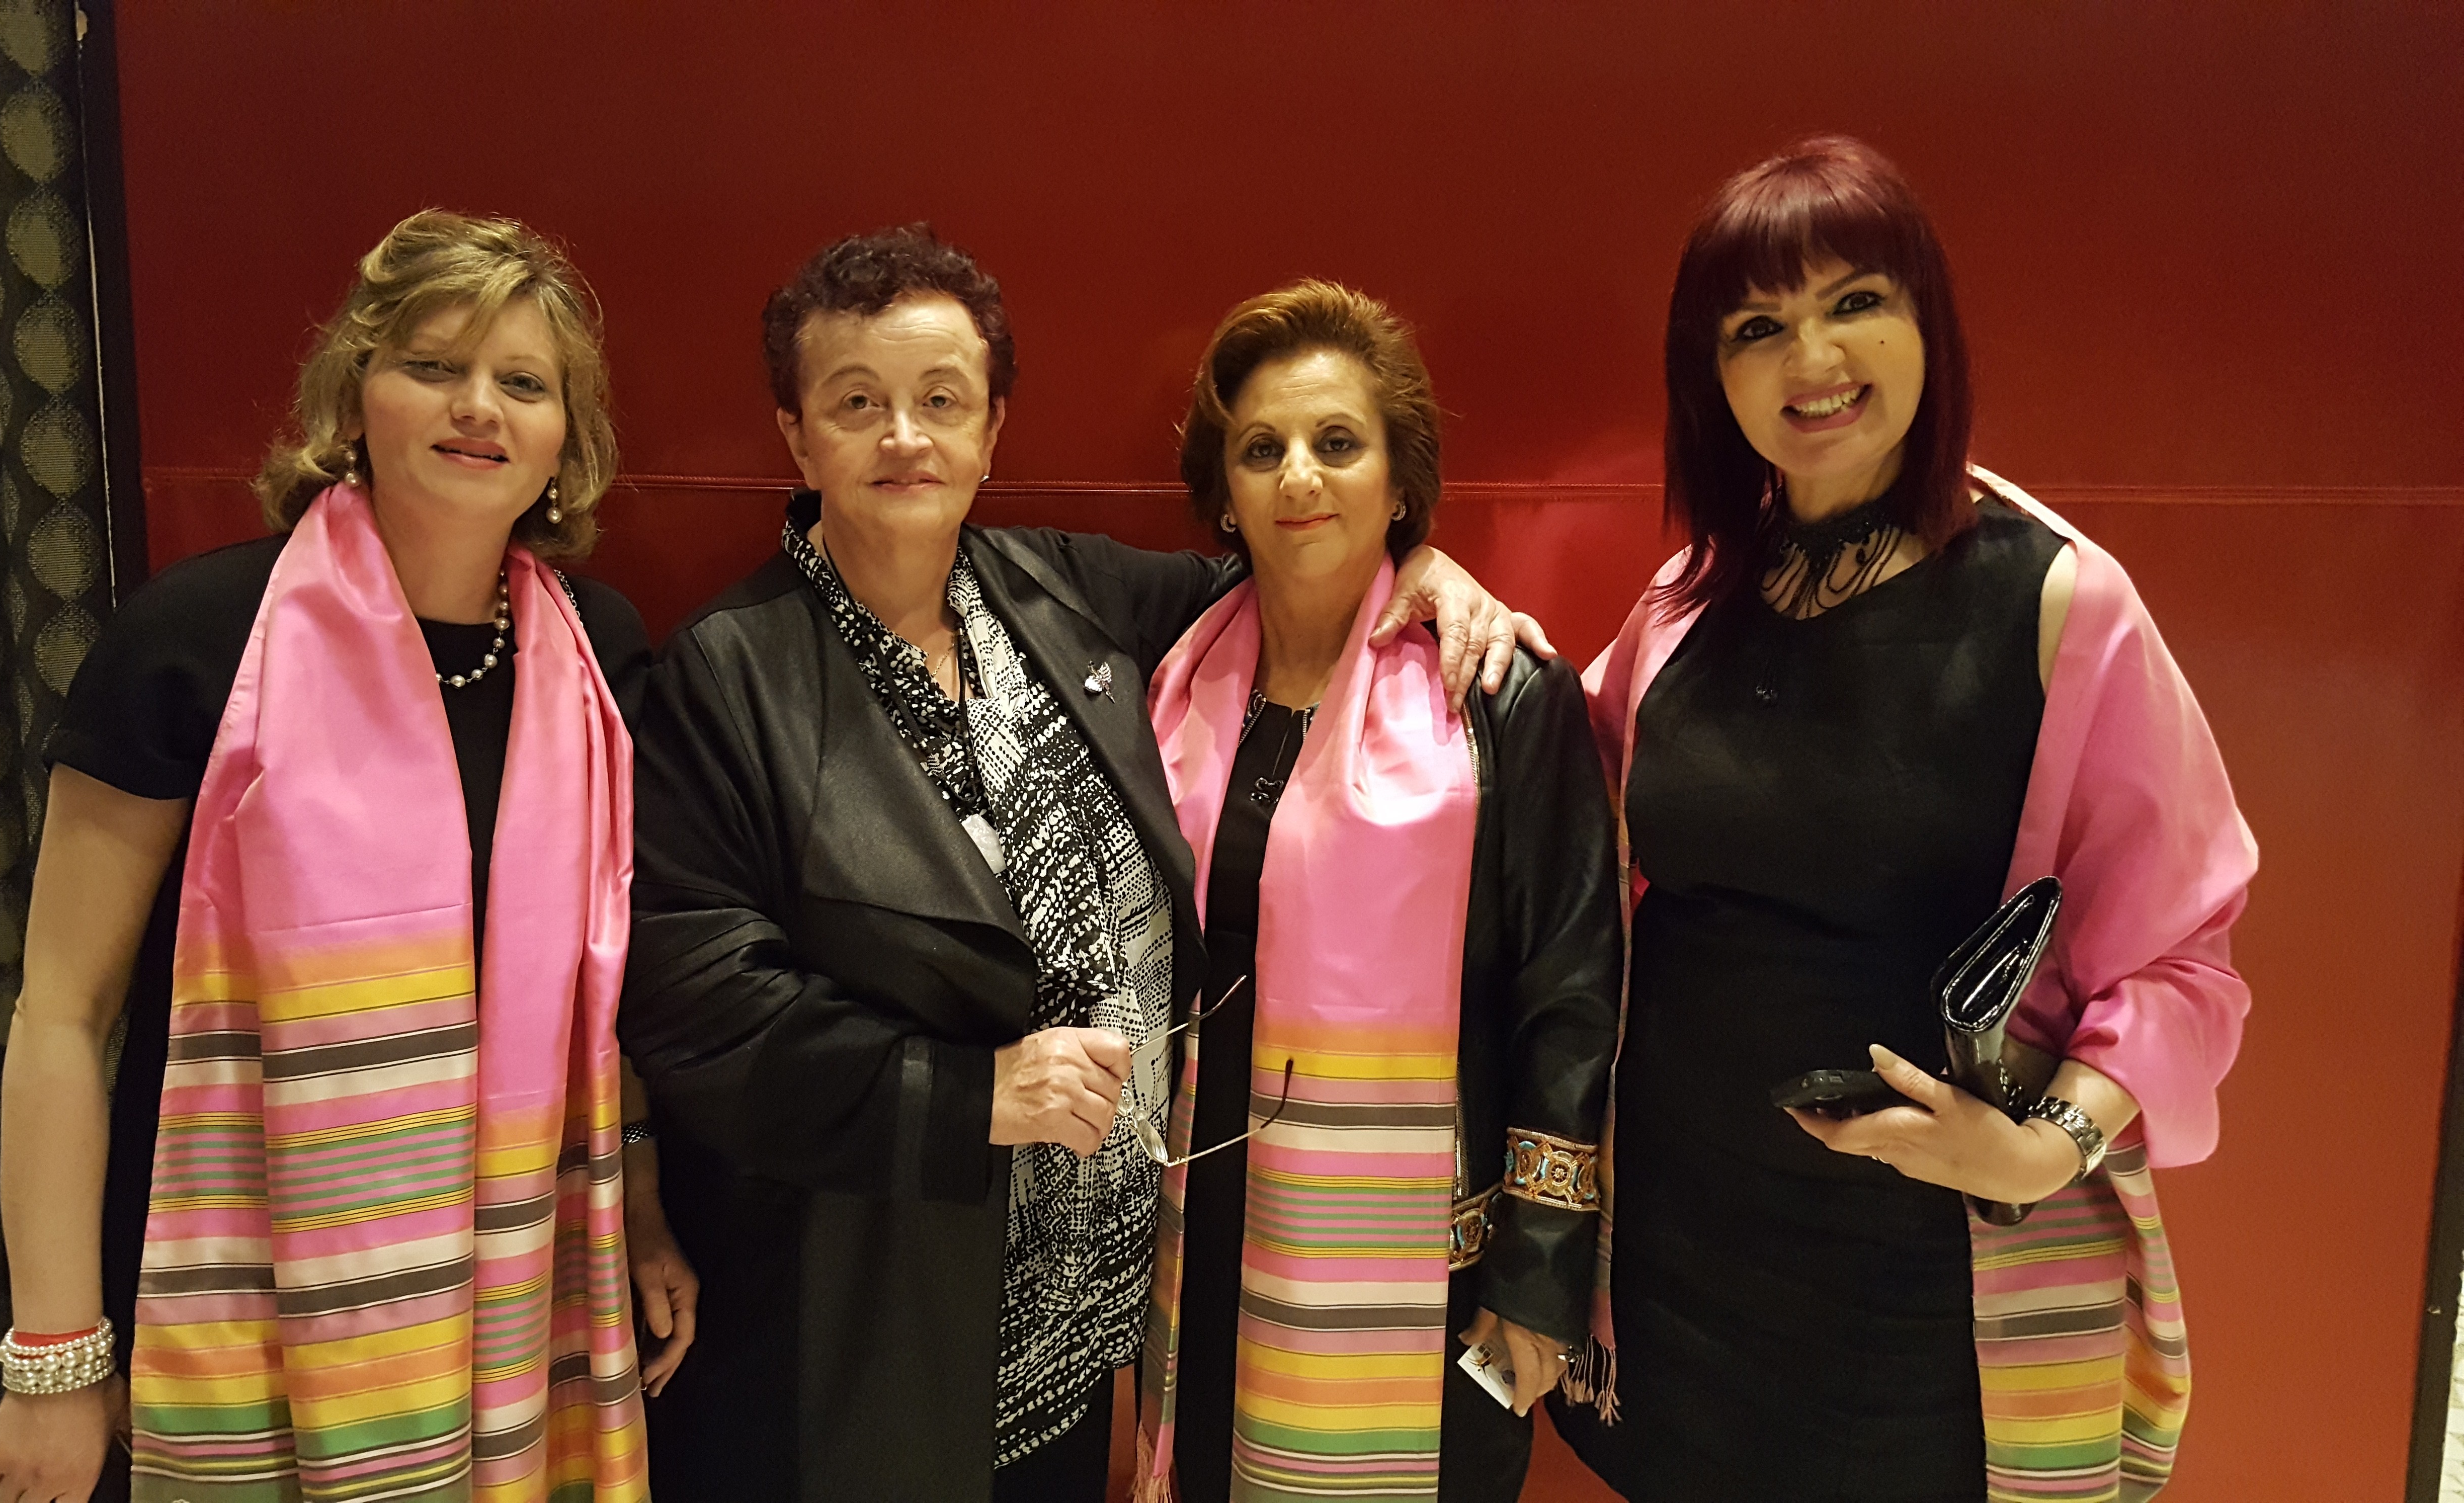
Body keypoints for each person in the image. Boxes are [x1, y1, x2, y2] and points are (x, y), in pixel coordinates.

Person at [619, 226, 1547, 1503]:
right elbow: (699, 1005)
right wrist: (970, 1095)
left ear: (993, 429)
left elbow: (1294, 566)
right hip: (866, 1308)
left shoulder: (1064, 594)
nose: (904, 437)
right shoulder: (726, 673)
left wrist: (1422, 561)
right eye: (857, 403)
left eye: (942, 400)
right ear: (796, 435)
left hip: (1086, 1319)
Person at [1556, 138, 2256, 1502]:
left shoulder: (2055, 602)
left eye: (1854, 302)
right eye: (1758, 327)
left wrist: (2048, 1142)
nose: (1811, 357)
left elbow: (2185, 959)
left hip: (1929, 1284)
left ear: (1928, 321)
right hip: (1681, 1248)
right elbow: (1549, 790)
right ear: (1713, 376)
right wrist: (1439, 595)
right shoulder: (1688, 601)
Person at [0, 212, 692, 1503]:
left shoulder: (600, 656)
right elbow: (62, 1013)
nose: (477, 407)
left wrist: (635, 1199)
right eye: (431, 365)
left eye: (523, 383)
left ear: (563, 441)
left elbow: (600, 992)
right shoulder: (196, 639)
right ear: (353, 397)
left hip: (524, 1289)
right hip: (240, 1287)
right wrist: (56, 1359)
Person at [1132, 282, 1623, 1503]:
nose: (1299, 476)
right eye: (1262, 449)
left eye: (1338, 443)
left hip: (1426, 1265)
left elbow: (1570, 994)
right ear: (1225, 494)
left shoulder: (1497, 695)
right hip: (1199, 1228)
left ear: (1400, 483)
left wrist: (1540, 1274)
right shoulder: (1166, 680)